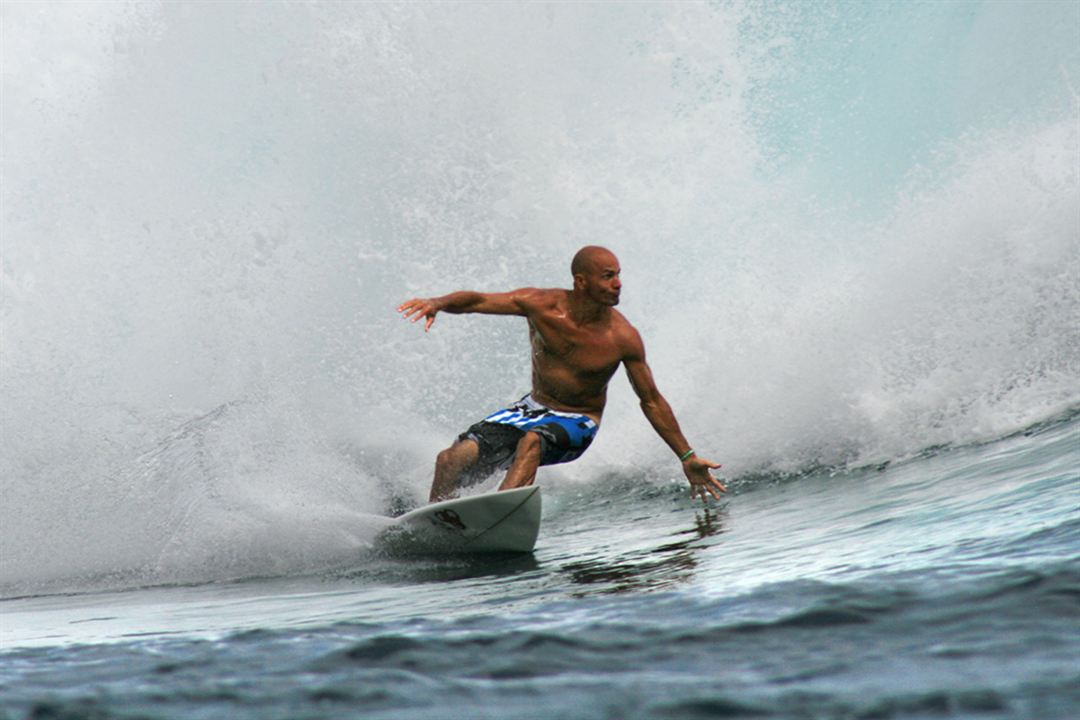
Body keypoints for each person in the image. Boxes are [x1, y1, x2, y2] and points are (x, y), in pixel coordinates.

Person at [398, 246, 726, 504]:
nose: (618, 283)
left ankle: (500, 511)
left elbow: (651, 400)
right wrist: (436, 302)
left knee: (532, 442)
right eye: (608, 276)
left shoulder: (622, 337)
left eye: (618, 275)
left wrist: (687, 456)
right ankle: (441, 523)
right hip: (528, 409)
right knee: (449, 460)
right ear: (581, 281)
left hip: (577, 421)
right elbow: (478, 300)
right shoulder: (541, 305)